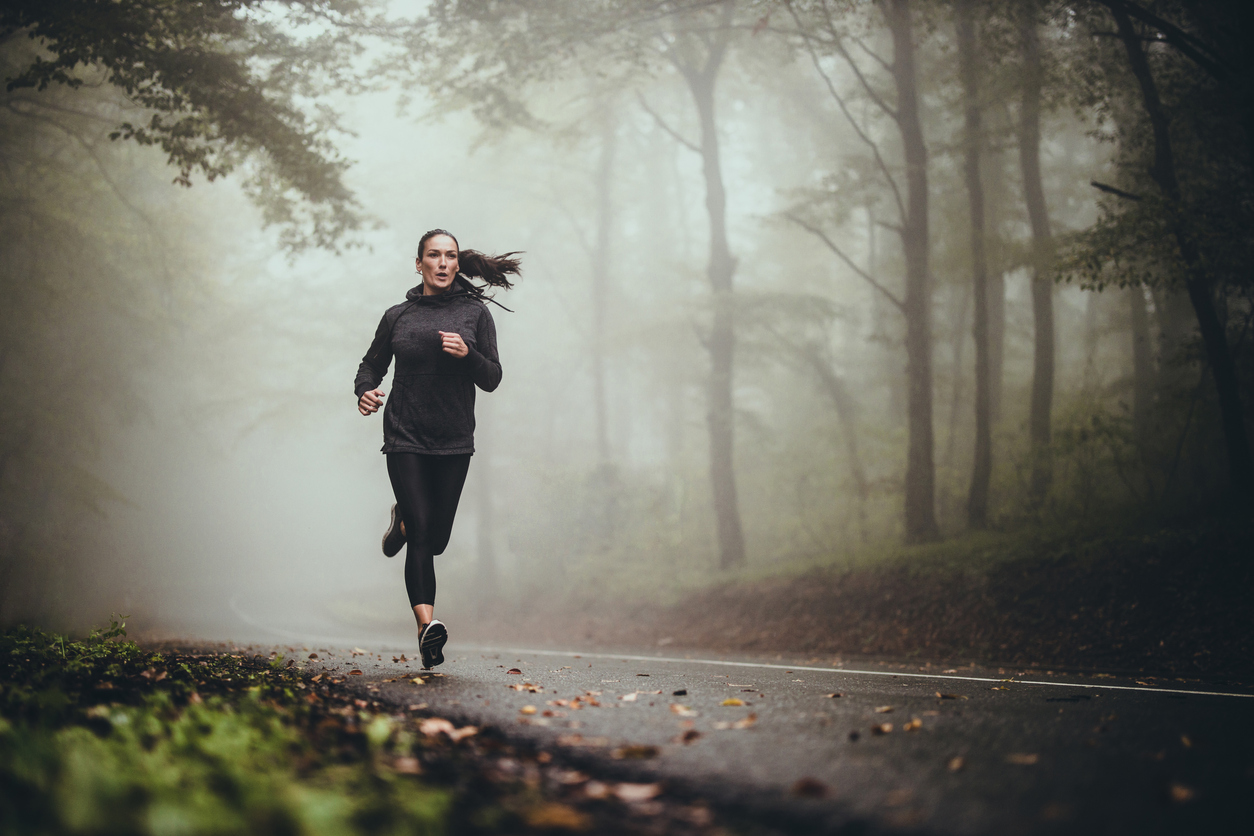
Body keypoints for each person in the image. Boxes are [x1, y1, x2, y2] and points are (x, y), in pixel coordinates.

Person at [355, 229, 519, 669]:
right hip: (405, 435)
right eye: (434, 255)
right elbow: (371, 365)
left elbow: (492, 377)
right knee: (425, 534)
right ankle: (427, 627)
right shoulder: (398, 316)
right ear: (419, 263)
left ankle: (402, 522)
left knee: (437, 537)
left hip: (453, 438)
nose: (443, 263)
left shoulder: (475, 314)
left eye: (450, 256)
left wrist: (467, 354)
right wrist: (366, 392)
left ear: (457, 263)